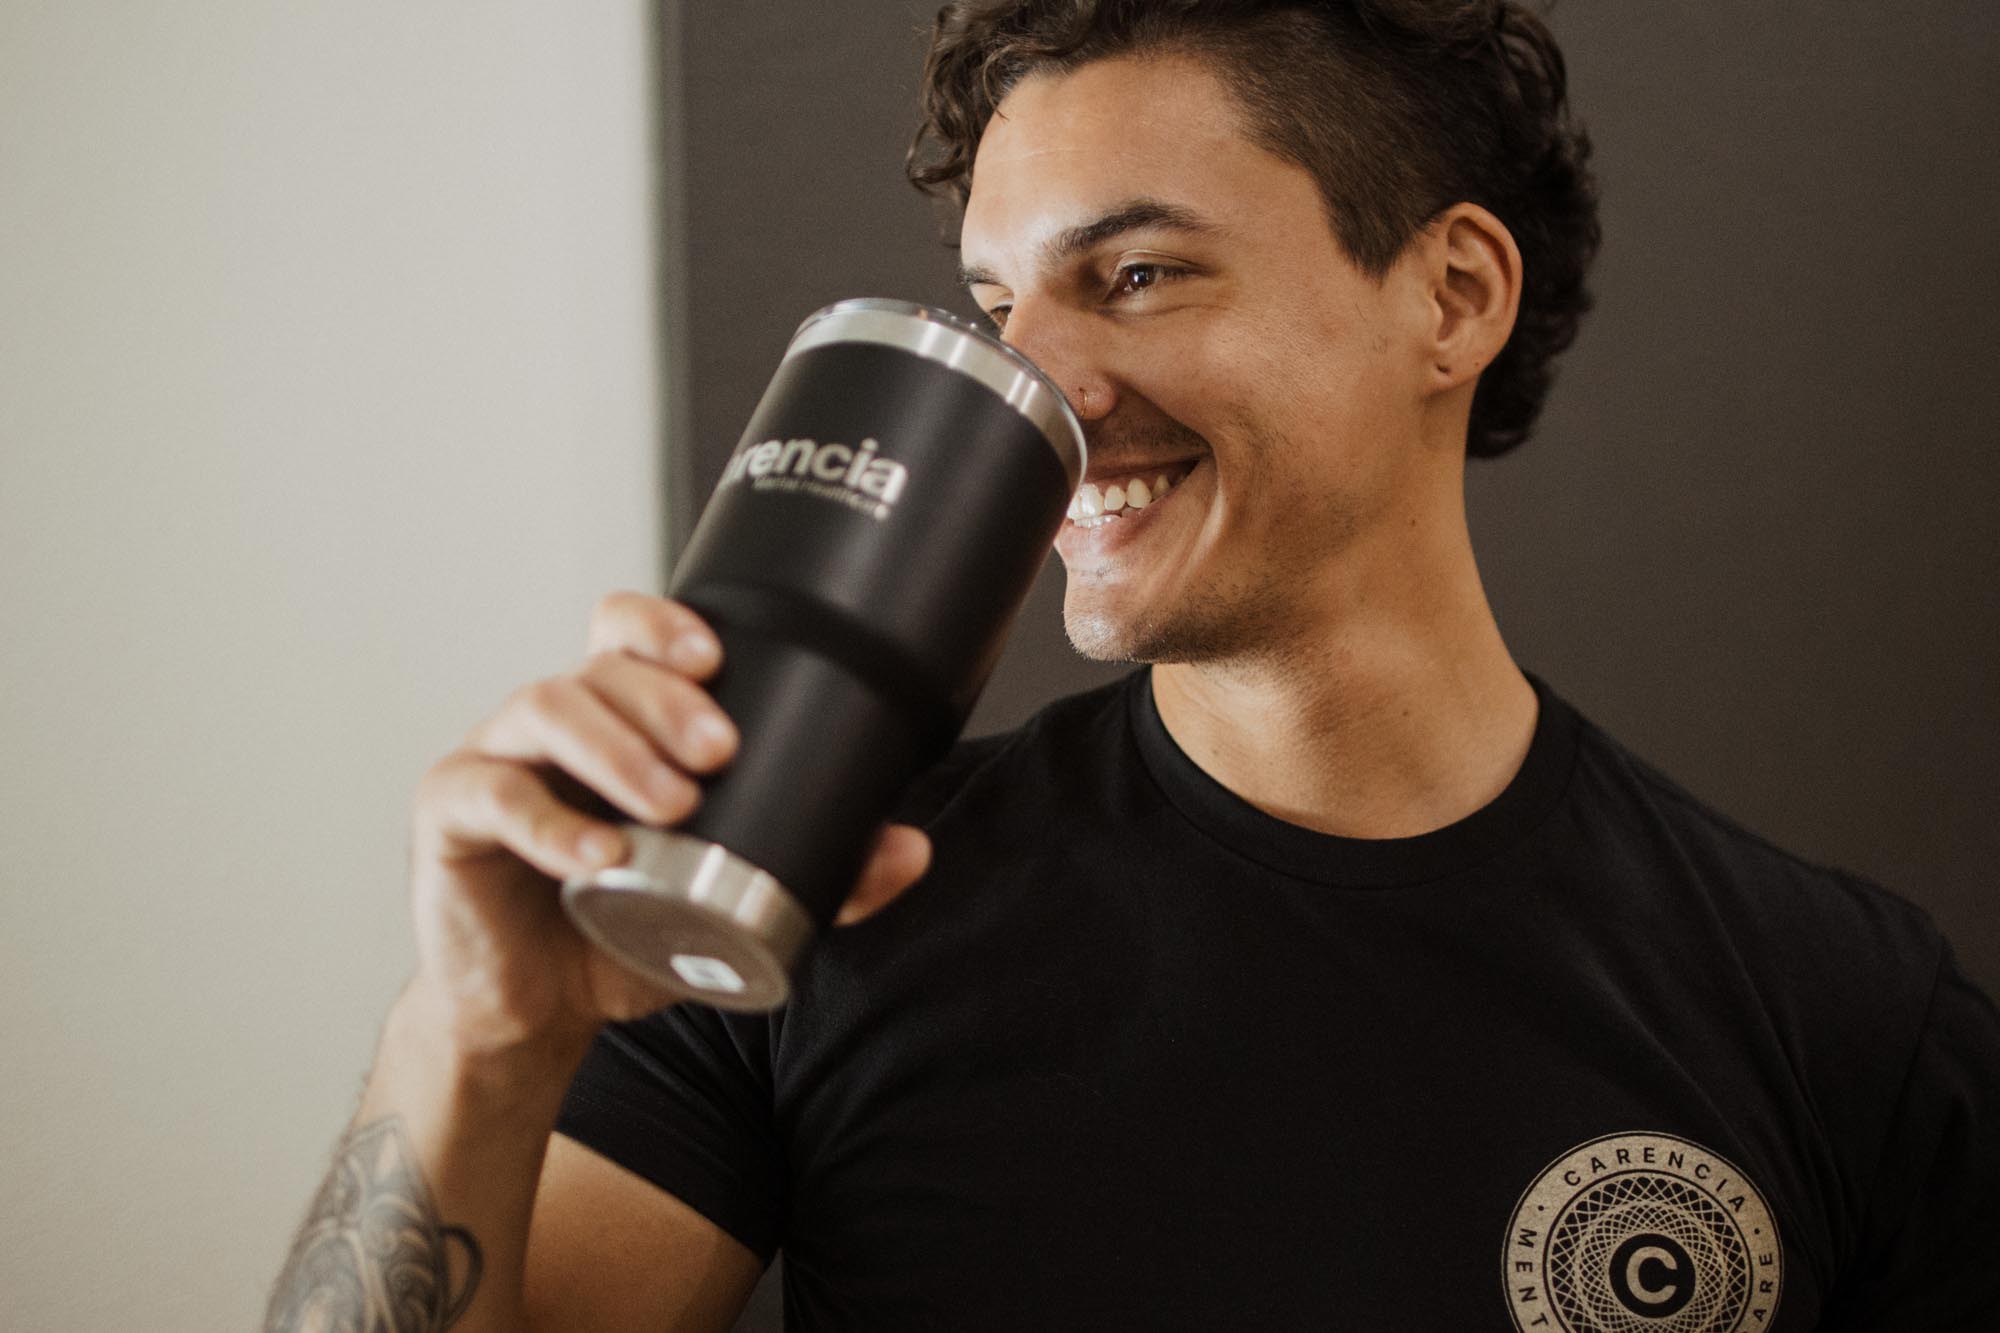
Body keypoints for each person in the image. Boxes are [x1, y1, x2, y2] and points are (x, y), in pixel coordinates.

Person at [265, 2, 2000, 1330]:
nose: (1036, 388)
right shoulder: (804, 918)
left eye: (1141, 273)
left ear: (1452, 295)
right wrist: (477, 1042)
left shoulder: (1840, 1008)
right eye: (997, 303)